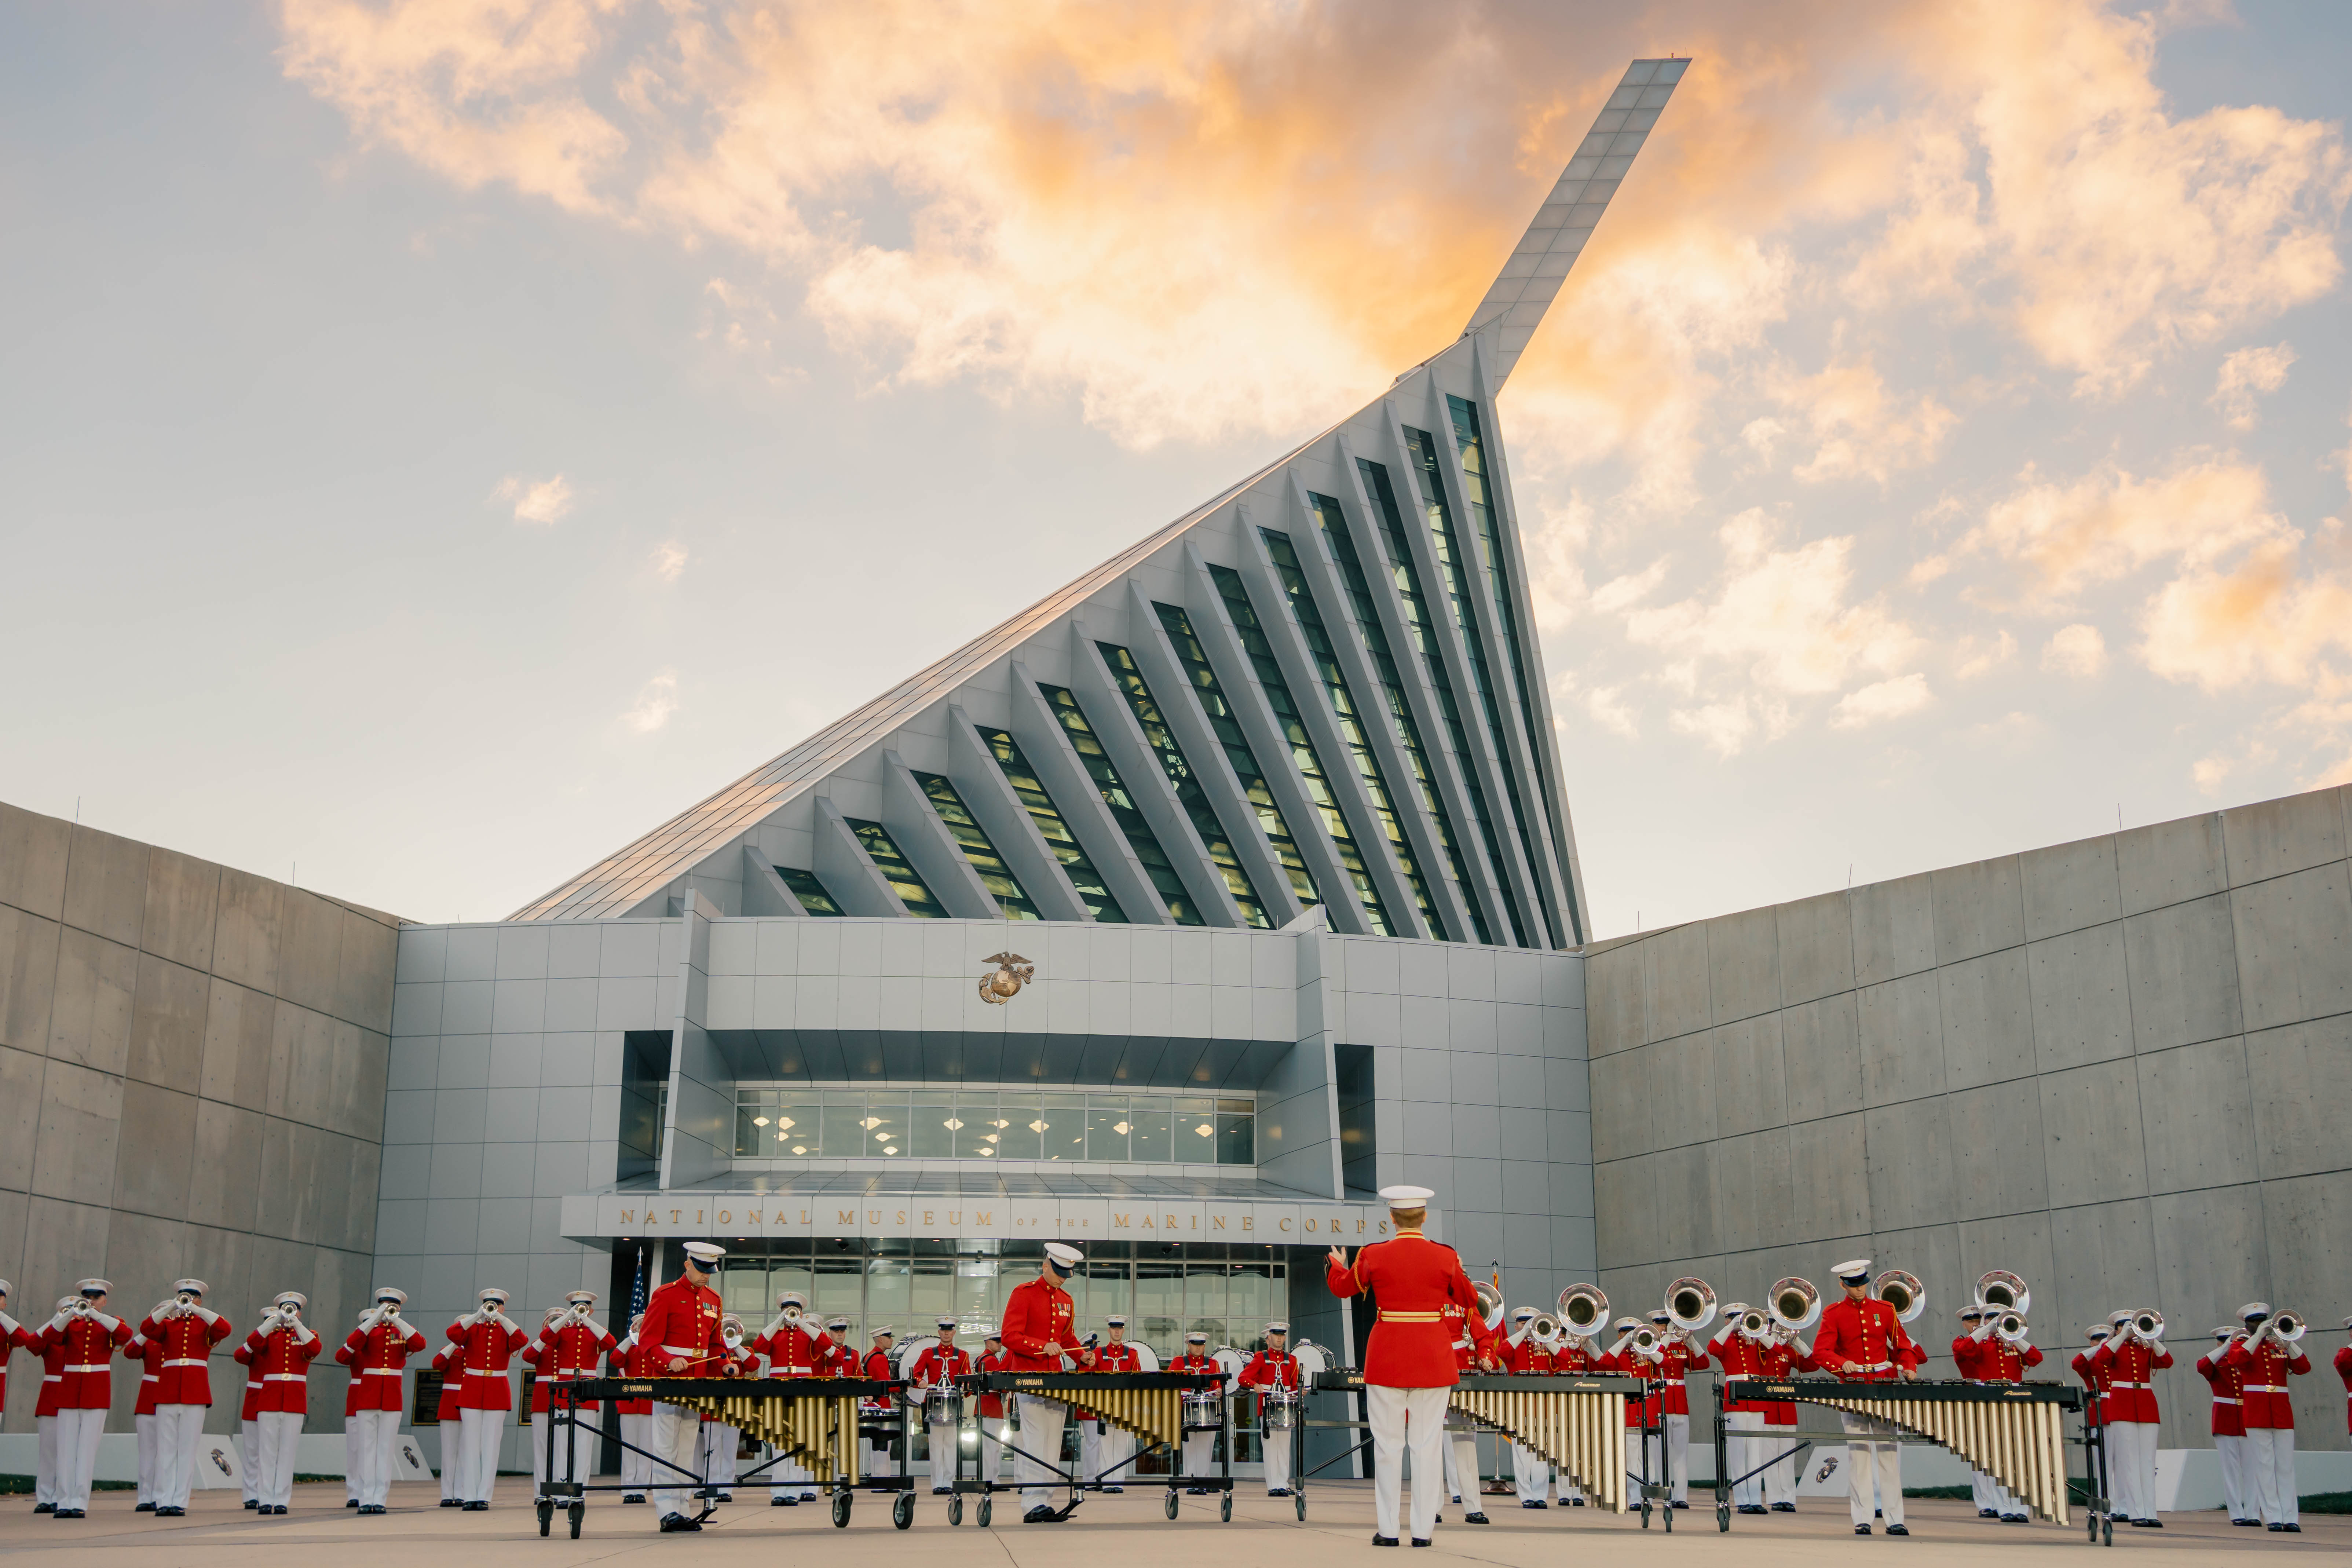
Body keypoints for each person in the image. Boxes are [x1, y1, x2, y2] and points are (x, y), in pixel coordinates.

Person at [1323, 1185, 1499, 1548]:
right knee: (1426, 1447)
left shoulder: (1373, 1254)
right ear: (1424, 1217)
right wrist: (1455, 1270)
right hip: (1432, 1359)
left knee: (1388, 1447)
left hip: (1387, 1357)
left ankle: (1389, 1530)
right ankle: (1422, 1531)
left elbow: (1342, 1287)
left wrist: (1336, 1264)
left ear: (1391, 1217)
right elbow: (1469, 1298)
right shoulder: (1444, 1255)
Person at [1807, 1259, 1920, 1537]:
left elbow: (1902, 1344)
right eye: (1853, 1285)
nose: (1859, 1289)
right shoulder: (1833, 1313)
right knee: (1858, 1455)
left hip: (1883, 1386)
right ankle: (1863, 1518)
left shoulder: (1885, 1309)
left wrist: (1909, 1366)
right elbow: (1821, 1351)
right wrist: (1841, 1363)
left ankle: (1895, 1518)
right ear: (1842, 1285)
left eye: (1862, 1284)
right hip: (1853, 1388)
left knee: (1889, 1454)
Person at [999, 1240, 1097, 1522]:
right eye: (1058, 1272)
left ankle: (1045, 1500)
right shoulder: (1024, 1293)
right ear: (1045, 1265)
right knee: (1036, 1439)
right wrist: (1041, 1345)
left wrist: (1081, 1356)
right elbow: (1010, 1336)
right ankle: (1032, 1503)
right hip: (1028, 1377)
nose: (1062, 1278)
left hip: (1056, 1379)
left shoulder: (1066, 1299)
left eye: (1066, 1274)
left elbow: (1067, 1338)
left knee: (1053, 1442)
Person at [640, 1242, 735, 1532]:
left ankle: (681, 1508)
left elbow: (716, 1344)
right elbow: (648, 1342)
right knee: (666, 1448)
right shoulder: (665, 1294)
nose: (706, 1275)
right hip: (669, 1381)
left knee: (686, 1450)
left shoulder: (714, 1299)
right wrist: (669, 1360)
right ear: (688, 1264)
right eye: (702, 1269)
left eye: (710, 1271)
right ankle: (667, 1510)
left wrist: (725, 1363)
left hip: (697, 1382)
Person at [42, 1279, 132, 1520]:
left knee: (86, 1452)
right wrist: (69, 1314)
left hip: (96, 1392)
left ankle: (79, 1502)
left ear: (104, 1301)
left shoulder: (111, 1323)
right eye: (87, 1297)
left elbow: (125, 1335)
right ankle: (64, 1502)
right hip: (69, 1392)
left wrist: (96, 1315)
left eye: (95, 1298)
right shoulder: (71, 1324)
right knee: (66, 1450)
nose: (91, 1301)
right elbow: (48, 1337)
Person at [336, 1287, 424, 1515]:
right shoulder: (369, 1331)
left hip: (392, 1398)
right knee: (366, 1450)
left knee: (385, 1451)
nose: (388, 1310)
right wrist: (375, 1319)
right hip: (368, 1397)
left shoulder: (402, 1331)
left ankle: (380, 1500)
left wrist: (398, 1321)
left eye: (393, 1306)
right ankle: (366, 1499)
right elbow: (352, 1343)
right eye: (385, 1306)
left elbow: (420, 1344)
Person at [2225, 1303, 2311, 1533]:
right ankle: (2273, 1516)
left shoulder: (2279, 1345)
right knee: (2264, 1466)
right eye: (2255, 1322)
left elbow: (2304, 1367)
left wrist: (2289, 1341)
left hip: (2281, 1411)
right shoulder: (2242, 1345)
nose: (2261, 1324)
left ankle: (2291, 1517)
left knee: (2286, 1467)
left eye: (2263, 1321)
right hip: (2257, 1412)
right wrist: (2258, 1336)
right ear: (2247, 1326)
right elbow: (2235, 1360)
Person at [528, 1291, 616, 1507]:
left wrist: (586, 1320)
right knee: (562, 1447)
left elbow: (610, 1342)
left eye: (584, 1307)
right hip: (564, 1392)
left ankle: (578, 1494)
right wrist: (568, 1317)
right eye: (576, 1307)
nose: (580, 1310)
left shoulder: (595, 1331)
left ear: (591, 1309)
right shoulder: (562, 1331)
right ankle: (561, 1493)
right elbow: (546, 1338)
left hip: (587, 1392)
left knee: (583, 1447)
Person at [445, 1287, 527, 1511]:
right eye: (489, 1305)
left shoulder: (506, 1330)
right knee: (470, 1446)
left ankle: (484, 1496)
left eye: (497, 1305)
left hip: (497, 1391)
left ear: (503, 1308)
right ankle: (469, 1496)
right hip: (472, 1390)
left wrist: (501, 1319)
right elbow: (452, 1334)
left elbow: (522, 1340)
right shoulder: (473, 1329)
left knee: (491, 1447)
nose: (493, 1309)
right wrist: (477, 1316)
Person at [242, 1292, 321, 1514]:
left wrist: (296, 1324)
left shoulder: (308, 1334)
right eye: (286, 1308)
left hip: (295, 1401)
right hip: (269, 1399)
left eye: (294, 1309)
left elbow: (315, 1349)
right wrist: (275, 1320)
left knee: (287, 1454)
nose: (290, 1313)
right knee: (267, 1453)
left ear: (300, 1312)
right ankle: (265, 1499)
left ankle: (281, 1500)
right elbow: (252, 1343)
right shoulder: (270, 1335)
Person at [2092, 1311, 2170, 1528]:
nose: (2130, 1328)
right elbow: (2102, 1358)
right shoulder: (2113, 1346)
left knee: (2148, 1462)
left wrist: (2152, 1339)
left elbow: (2167, 1361)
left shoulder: (2145, 1347)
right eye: (2124, 1325)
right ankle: (2136, 1513)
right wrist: (2121, 1337)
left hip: (2146, 1404)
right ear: (2117, 1328)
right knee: (2129, 1461)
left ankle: (2151, 1512)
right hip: (2122, 1405)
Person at [1963, 1307, 2041, 1524]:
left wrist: (2016, 1337)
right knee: (1996, 1456)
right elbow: (1964, 1350)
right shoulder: (1982, 1344)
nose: (1997, 1323)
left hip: (2016, 1402)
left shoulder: (2015, 1343)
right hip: (1991, 1401)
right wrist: (1986, 1330)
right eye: (1992, 1319)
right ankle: (2004, 1507)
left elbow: (2036, 1358)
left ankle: (2021, 1508)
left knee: (2019, 1456)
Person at [755, 1292, 822, 1505]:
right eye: (786, 1310)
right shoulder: (775, 1334)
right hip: (778, 1390)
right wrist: (778, 1322)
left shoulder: (808, 1334)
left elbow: (826, 1345)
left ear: (801, 1312)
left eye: (794, 1311)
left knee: (798, 1441)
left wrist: (803, 1324)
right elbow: (759, 1346)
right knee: (779, 1443)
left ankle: (794, 1490)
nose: (790, 1314)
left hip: (802, 1390)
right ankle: (778, 1491)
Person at [1711, 1306, 1774, 1516]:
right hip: (1735, 1399)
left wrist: (1759, 1332)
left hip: (1755, 1399)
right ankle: (1742, 1500)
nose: (1739, 1323)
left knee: (1755, 1452)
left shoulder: (1757, 1341)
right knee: (1738, 1453)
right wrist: (1731, 1327)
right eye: (1734, 1319)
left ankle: (1755, 1499)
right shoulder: (1726, 1340)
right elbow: (1713, 1348)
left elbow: (1778, 1351)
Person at [1645, 1307, 1710, 1509]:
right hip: (1660, 1405)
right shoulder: (1649, 1346)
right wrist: (1666, 1337)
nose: (1665, 1328)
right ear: (1654, 1326)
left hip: (1680, 1405)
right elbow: (1657, 1358)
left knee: (1681, 1456)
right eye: (1661, 1325)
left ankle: (1681, 1497)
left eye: (1668, 1325)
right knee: (1662, 1455)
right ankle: (1666, 1493)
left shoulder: (1681, 1347)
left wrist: (1691, 1340)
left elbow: (1704, 1363)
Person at [2195, 1326, 2258, 1527]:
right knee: (2231, 1471)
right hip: (2225, 1418)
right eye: (2225, 1341)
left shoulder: (2246, 1360)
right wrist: (2224, 1350)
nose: (2231, 1344)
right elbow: (2202, 1366)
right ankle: (2236, 1513)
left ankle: (2253, 1513)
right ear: (2219, 1343)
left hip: (2248, 1417)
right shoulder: (2217, 1362)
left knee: (2252, 1470)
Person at [910, 1316, 973, 1495]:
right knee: (936, 1445)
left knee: (952, 1444)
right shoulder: (928, 1353)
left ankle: (950, 1482)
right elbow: (916, 1375)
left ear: (954, 1332)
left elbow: (967, 1379)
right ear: (939, 1332)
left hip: (953, 1402)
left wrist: (966, 1389)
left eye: (949, 1330)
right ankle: (938, 1483)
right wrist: (921, 1382)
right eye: (943, 1330)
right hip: (934, 1402)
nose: (946, 1333)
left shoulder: (963, 1355)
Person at [1238, 1321, 1302, 1498]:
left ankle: (1283, 1483)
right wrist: (1255, 1384)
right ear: (1269, 1339)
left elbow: (1294, 1384)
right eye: (1276, 1335)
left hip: (1286, 1407)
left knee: (1284, 1448)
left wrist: (1300, 1391)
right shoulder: (1261, 1357)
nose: (1279, 1339)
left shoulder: (1292, 1359)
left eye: (1282, 1335)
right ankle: (1274, 1485)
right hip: (1267, 1406)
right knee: (1271, 1447)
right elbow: (1243, 1378)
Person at [1086, 1316, 1144, 1494]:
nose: (1117, 1332)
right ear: (1109, 1330)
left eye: (1120, 1328)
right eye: (1114, 1328)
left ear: (1124, 1330)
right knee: (1104, 1445)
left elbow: (1138, 1379)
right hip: (1104, 1404)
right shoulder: (1098, 1352)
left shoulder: (1132, 1353)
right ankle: (1106, 1483)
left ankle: (1118, 1483)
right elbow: (1090, 1377)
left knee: (1120, 1445)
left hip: (1124, 1406)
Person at [1171, 1331, 1225, 1494]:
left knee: (1205, 1448)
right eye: (1194, 1344)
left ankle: (1203, 1481)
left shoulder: (1213, 1363)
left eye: (1201, 1345)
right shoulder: (1179, 1362)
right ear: (1189, 1345)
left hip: (1208, 1411)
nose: (1198, 1348)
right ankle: (1191, 1481)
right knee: (1190, 1449)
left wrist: (1219, 1391)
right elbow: (1170, 1383)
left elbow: (1218, 1386)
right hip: (1186, 1410)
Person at [33, 1297, 72, 1513]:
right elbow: (33, 1344)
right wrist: (55, 1320)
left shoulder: (82, 1336)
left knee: (68, 1452)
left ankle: (63, 1497)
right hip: (51, 1398)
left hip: (73, 1396)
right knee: (48, 1453)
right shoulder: (51, 1336)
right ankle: (45, 1498)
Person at [612, 1313, 656, 1502]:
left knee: (647, 1449)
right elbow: (615, 1359)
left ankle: (641, 1490)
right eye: (639, 1325)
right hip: (629, 1404)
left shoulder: (654, 1346)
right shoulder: (629, 1347)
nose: (642, 1329)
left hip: (649, 1404)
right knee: (629, 1448)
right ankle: (628, 1489)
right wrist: (631, 1337)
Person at [127, 1316, 163, 1511]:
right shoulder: (148, 1341)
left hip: (170, 1398)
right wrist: (146, 1332)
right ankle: (145, 1497)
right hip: (148, 1401)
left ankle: (161, 1496)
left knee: (166, 1454)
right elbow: (130, 1352)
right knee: (147, 1453)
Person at [234, 1324, 265, 1510]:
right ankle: (251, 1495)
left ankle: (267, 1493)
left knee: (272, 1454)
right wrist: (258, 1337)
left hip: (277, 1402)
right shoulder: (257, 1344)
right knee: (252, 1453)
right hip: (254, 1403)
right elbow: (240, 1356)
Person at [427, 1342, 462, 1504]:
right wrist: (454, 1344)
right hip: (450, 1403)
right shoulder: (450, 1350)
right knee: (449, 1453)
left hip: (472, 1402)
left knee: (467, 1453)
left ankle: (462, 1493)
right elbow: (437, 1364)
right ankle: (447, 1495)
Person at [976, 1328, 1011, 1487]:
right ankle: (991, 1480)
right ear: (988, 1343)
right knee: (993, 1447)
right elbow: (998, 1385)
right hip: (991, 1406)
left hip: (986, 1406)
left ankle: (990, 1479)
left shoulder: (982, 1358)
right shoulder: (991, 1360)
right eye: (997, 1342)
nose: (1000, 1345)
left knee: (990, 1447)